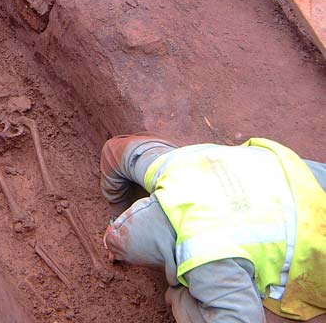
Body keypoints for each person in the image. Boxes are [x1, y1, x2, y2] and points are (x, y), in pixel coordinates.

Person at [100, 134, 326, 322]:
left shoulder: (206, 255)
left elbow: (240, 318)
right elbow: (114, 151)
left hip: (316, 240)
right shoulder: (172, 166)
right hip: (307, 181)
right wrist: (117, 213)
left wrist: (178, 294)